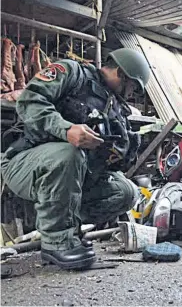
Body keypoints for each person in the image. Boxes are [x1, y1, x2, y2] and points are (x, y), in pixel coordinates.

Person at [1, 48, 150, 270]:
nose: (131, 95)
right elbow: (29, 101)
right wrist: (66, 129)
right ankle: (57, 243)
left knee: (125, 191)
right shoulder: (71, 73)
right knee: (68, 154)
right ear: (121, 72)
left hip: (69, 175)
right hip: (23, 163)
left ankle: (66, 230)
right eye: (132, 88)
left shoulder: (114, 106)